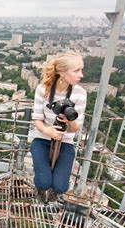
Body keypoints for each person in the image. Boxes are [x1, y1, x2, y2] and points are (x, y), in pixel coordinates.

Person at [30, 51, 86, 203]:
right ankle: (41, 188)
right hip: (42, 139)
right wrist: (48, 130)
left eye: (81, 69)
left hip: (65, 142)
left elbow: (75, 128)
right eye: (76, 70)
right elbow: (36, 118)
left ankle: (55, 191)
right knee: (43, 181)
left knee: (61, 186)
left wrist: (69, 121)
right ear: (62, 72)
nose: (81, 75)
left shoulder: (80, 94)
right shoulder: (43, 89)